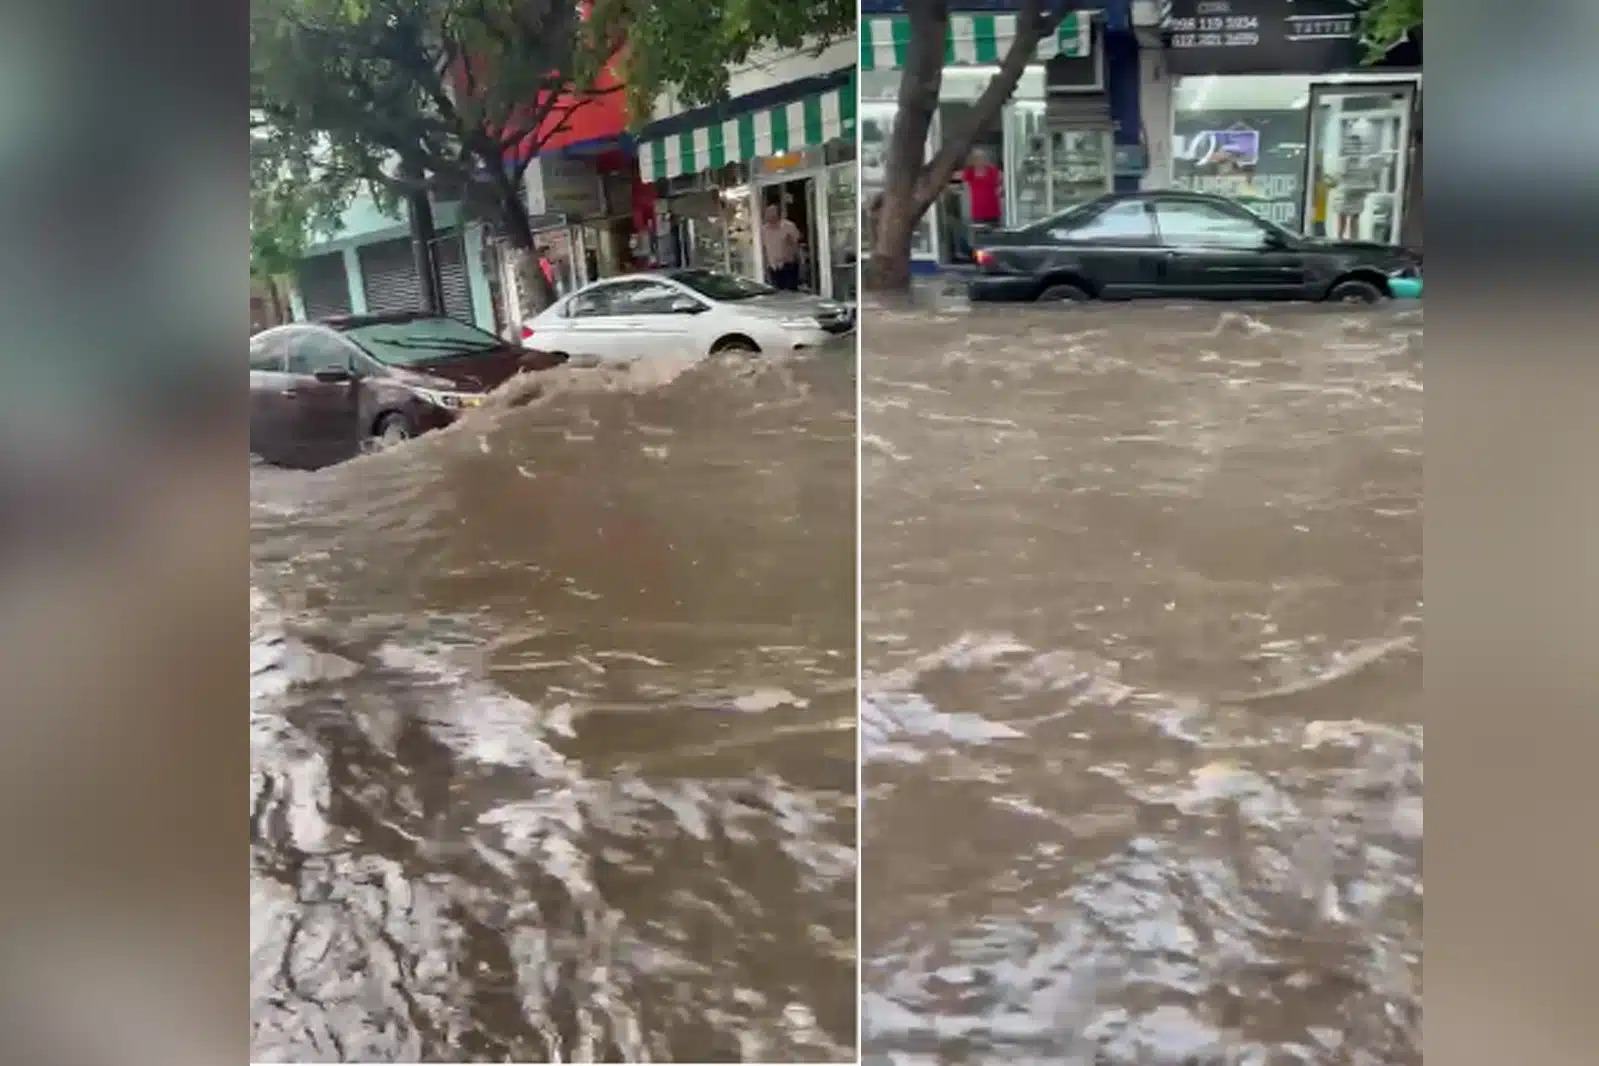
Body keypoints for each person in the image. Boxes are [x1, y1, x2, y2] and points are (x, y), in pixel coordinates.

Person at [959, 148, 1004, 234]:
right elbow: (959, 180)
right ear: (973, 160)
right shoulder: (969, 172)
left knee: (994, 238)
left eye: (982, 157)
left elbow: (1006, 180)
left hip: (993, 212)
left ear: (985, 158)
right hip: (978, 213)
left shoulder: (993, 171)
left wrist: (1001, 189)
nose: (979, 160)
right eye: (976, 158)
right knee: (980, 239)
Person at [761, 203, 804, 290]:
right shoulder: (764, 230)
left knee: (790, 292)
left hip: (788, 265)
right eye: (768, 214)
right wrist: (766, 266)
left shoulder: (788, 226)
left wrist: (791, 244)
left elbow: (797, 243)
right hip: (773, 267)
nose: (769, 217)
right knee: (776, 292)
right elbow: (764, 248)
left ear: (778, 215)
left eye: (772, 214)